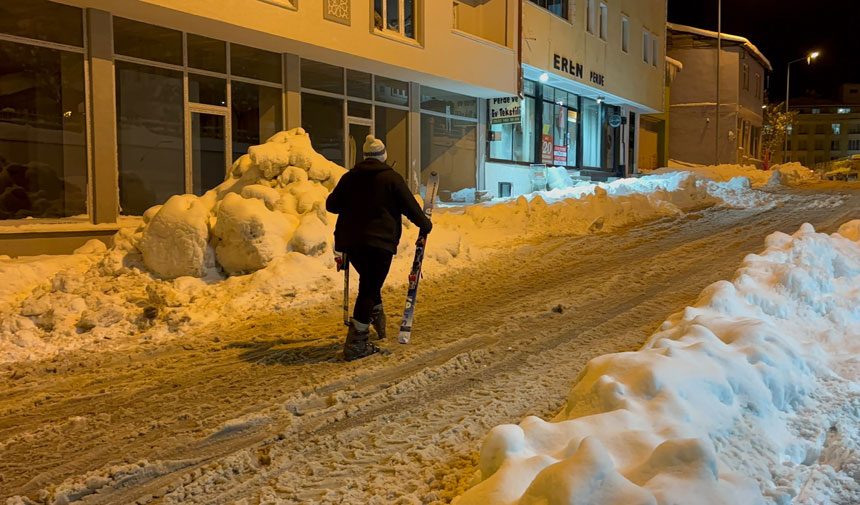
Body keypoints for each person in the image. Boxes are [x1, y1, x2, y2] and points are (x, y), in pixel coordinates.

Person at [326, 135, 432, 361]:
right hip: (379, 244)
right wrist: (425, 224)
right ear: (383, 156)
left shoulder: (349, 178)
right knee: (367, 288)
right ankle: (357, 342)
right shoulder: (391, 179)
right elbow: (410, 207)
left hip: (351, 243)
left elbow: (331, 205)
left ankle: (375, 314)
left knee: (369, 282)